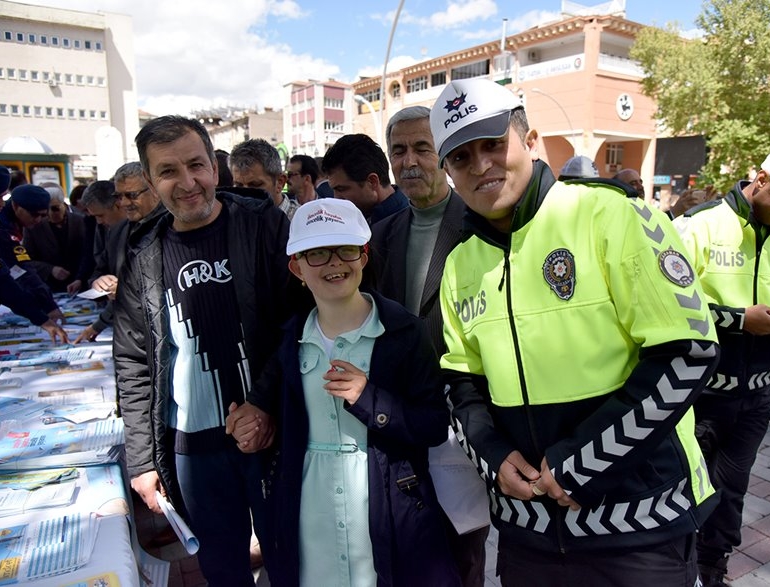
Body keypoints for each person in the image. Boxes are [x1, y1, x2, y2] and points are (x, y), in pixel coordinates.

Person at [432, 77, 720, 586]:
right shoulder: (459, 265)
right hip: (529, 537)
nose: (480, 165)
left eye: (493, 144)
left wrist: (579, 464)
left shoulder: (614, 216)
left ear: (531, 140)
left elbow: (688, 352)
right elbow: (461, 383)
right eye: (460, 157)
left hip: (639, 529)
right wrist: (494, 458)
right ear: (449, 173)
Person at [113, 115, 301, 586]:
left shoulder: (263, 227)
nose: (187, 181)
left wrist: (262, 404)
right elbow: (134, 361)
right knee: (221, 569)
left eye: (196, 164)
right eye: (169, 171)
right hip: (192, 451)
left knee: (292, 560)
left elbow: (296, 324)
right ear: (153, 181)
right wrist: (140, 460)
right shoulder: (144, 255)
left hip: (271, 436)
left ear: (215, 169)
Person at [270, 198, 460, 587]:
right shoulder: (288, 341)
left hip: (388, 505)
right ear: (297, 268)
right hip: (310, 509)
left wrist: (370, 399)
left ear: (364, 255)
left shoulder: (404, 331)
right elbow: (268, 407)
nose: (335, 263)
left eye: (346, 250)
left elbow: (434, 425)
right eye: (317, 254)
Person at [673, 144, 770, 586]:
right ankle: (680, 572)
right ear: (762, 179)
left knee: (731, 494)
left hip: (756, 395)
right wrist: (741, 321)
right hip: (699, 395)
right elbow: (667, 306)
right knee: (686, 494)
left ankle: (713, 570)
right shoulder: (698, 225)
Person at [370, 106, 489, 587]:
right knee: (409, 545)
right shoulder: (381, 235)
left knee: (463, 553)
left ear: (443, 154)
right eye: (399, 150)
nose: (410, 161)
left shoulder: (482, 223)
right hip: (402, 418)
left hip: (463, 415)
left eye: (423, 147)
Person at [73, 163, 167, 344]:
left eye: (131, 195)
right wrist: (100, 282)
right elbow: (101, 271)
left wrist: (124, 289)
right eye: (119, 196)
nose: (123, 203)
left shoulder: (174, 227)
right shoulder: (118, 231)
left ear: (154, 190)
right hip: (132, 335)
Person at [0, 162, 67, 342]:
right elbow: (1, 277)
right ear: (16, 207)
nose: (0, 202)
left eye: (3, 196)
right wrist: (42, 315)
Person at [321, 134, 409, 223]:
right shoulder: (359, 219)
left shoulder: (408, 225)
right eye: (334, 190)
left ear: (372, 182)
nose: (336, 198)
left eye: (341, 189)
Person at [22, 183, 87, 294]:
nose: (51, 214)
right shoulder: (33, 227)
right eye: (46, 210)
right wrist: (50, 269)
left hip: (80, 284)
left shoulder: (81, 222)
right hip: (50, 286)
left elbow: (89, 253)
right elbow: (26, 260)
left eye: (55, 209)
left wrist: (81, 277)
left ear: (64, 205)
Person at [230, 138, 298, 219]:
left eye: (255, 185)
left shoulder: (305, 222)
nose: (245, 195)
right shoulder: (232, 220)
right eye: (239, 186)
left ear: (280, 182)